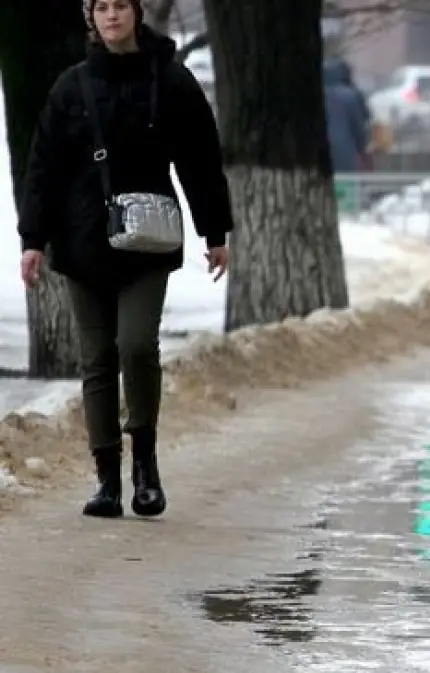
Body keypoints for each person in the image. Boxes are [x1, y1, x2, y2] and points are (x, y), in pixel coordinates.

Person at [17, 0, 234, 518]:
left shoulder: (171, 81)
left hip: (148, 242)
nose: (111, 16)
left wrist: (215, 231)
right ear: (90, 17)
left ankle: (146, 467)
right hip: (82, 241)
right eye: (102, 7)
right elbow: (43, 165)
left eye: (121, 5)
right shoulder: (71, 86)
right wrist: (32, 238)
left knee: (136, 346)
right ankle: (107, 480)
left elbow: (201, 159)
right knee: (96, 359)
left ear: (137, 13)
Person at [323, 57, 371, 173]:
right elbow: (358, 127)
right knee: (345, 186)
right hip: (344, 152)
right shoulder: (350, 96)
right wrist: (362, 148)